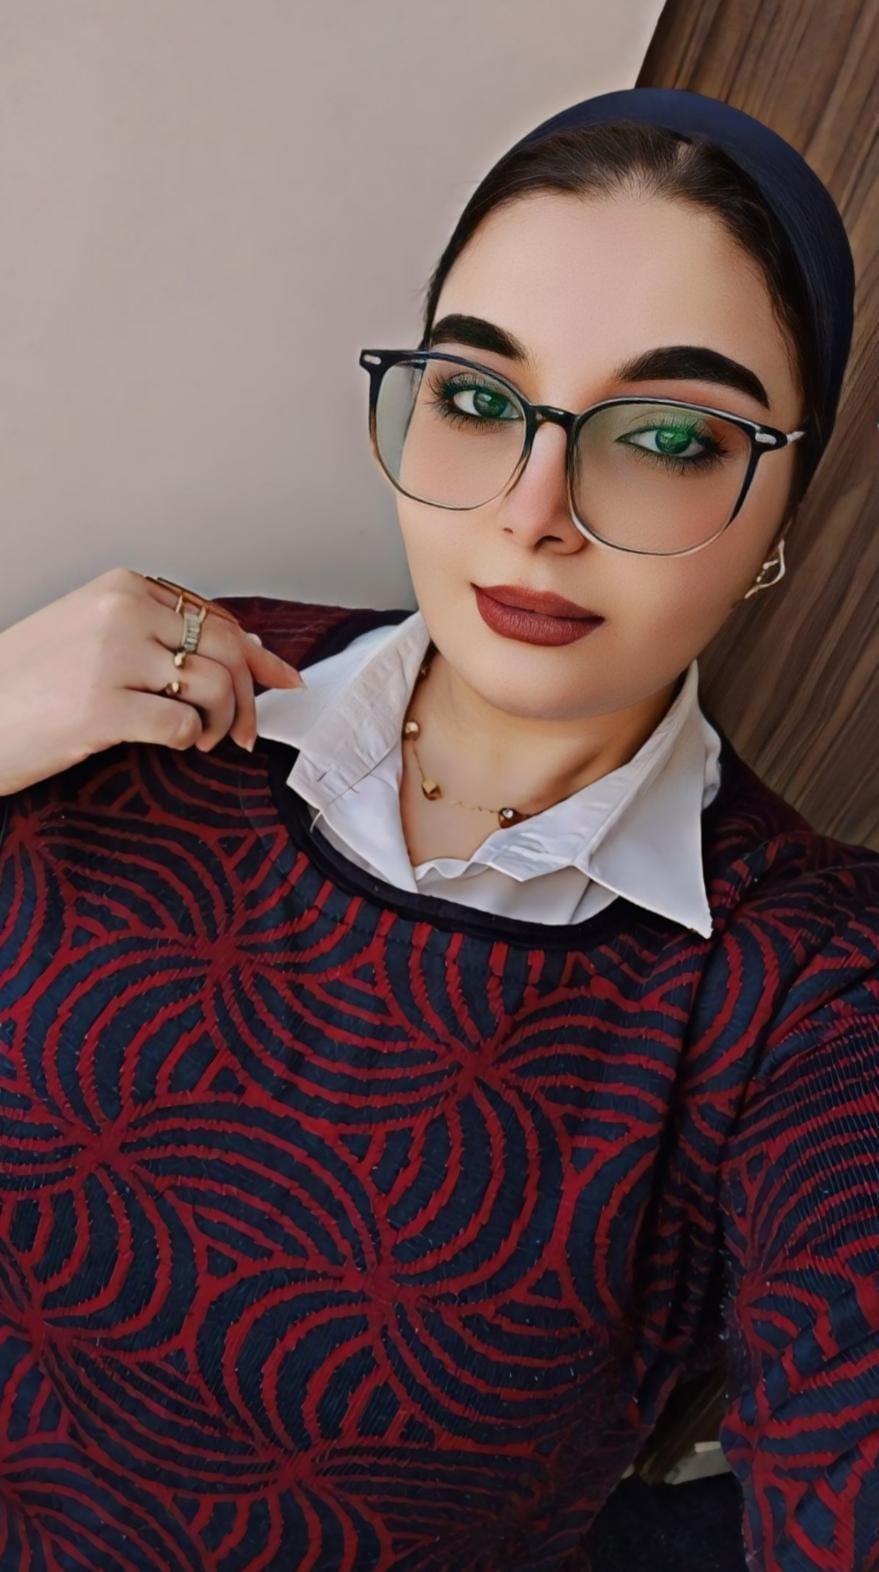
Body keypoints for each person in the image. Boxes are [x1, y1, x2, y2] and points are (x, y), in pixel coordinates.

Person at [0, 85, 876, 1572]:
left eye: (668, 435)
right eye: (477, 401)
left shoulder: (813, 984)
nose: (535, 511)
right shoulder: (134, 692)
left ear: (786, 503)